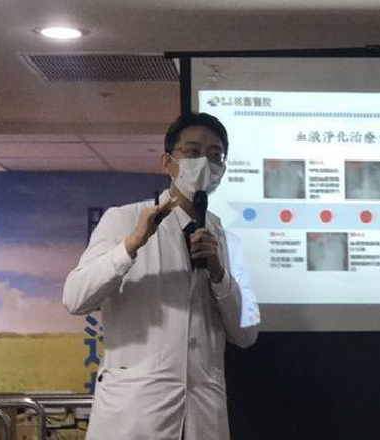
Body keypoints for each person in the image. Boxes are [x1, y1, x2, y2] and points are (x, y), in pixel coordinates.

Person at [62, 113, 260, 440]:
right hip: (134, 414)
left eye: (215, 156)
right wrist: (131, 245)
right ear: (167, 162)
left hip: (202, 414)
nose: (204, 163)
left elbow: (247, 332)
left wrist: (218, 273)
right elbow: (74, 298)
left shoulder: (228, 241)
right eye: (192, 152)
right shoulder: (123, 220)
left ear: (223, 170)